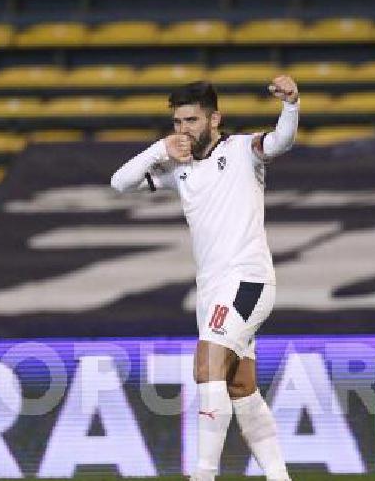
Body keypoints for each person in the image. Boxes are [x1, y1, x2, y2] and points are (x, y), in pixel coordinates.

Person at [110, 77, 300, 481]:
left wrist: (291, 105)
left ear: (215, 119)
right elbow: (120, 183)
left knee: (207, 363)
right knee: (241, 387)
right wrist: (160, 149)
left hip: (249, 281)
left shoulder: (241, 150)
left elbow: (280, 142)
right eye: (177, 122)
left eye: (192, 120)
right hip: (212, 291)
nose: (184, 130)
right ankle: (279, 476)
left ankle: (203, 474)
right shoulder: (179, 171)